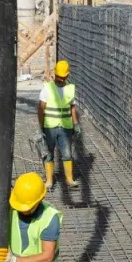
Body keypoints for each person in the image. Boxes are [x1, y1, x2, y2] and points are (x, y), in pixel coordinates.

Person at [38, 59, 81, 190]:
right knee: (48, 153)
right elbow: (41, 109)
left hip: (65, 127)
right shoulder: (47, 88)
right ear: (54, 74)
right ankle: (49, 180)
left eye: (62, 77)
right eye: (58, 76)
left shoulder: (70, 89)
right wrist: (41, 127)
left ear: (67, 75)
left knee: (67, 153)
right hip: (50, 127)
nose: (60, 79)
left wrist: (76, 124)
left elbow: (72, 107)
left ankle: (69, 179)